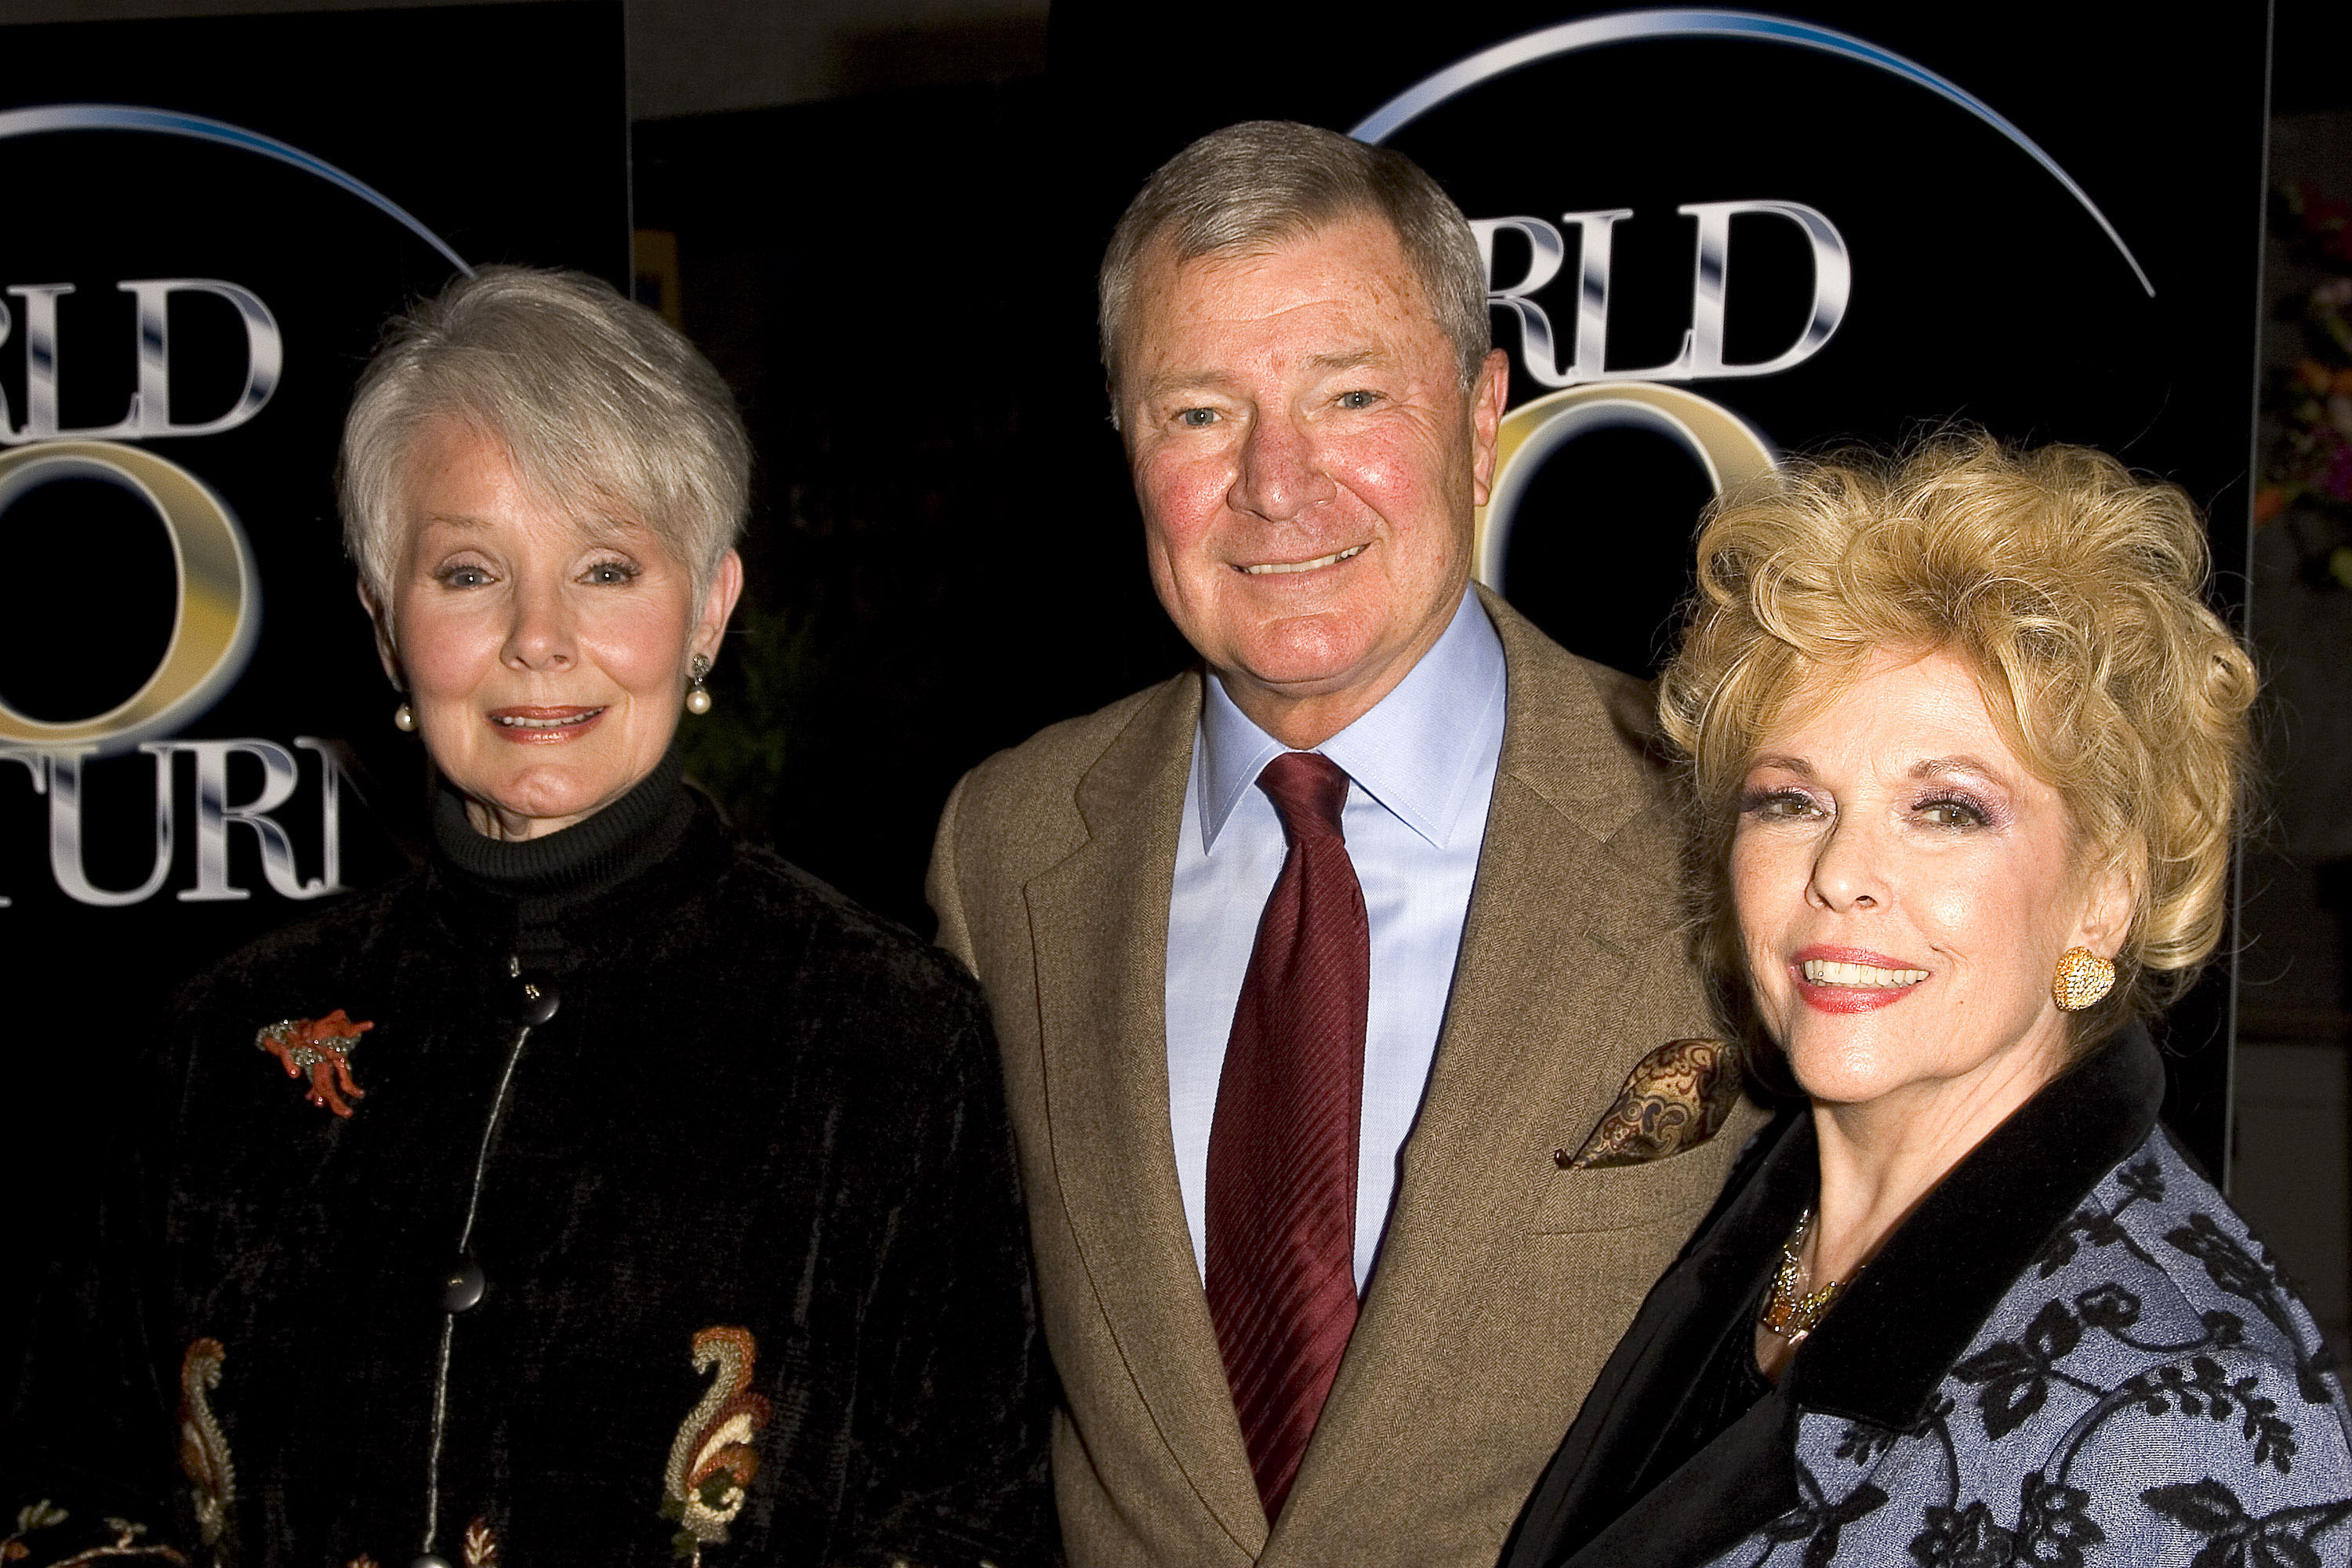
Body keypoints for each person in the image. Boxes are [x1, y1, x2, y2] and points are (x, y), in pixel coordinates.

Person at [4, 268, 1054, 1568]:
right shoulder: (219, 1047)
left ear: (709, 611)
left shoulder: (890, 1042)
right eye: (468, 571)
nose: (540, 639)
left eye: (606, 567)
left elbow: (965, 1529)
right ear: (386, 628)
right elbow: (65, 1494)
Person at [925, 121, 1763, 1567]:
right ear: (1125, 444)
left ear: (1483, 415)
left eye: (1353, 395)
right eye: (1198, 413)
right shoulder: (1005, 847)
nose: (1276, 481)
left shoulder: (1728, 820)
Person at [1500, 436, 2352, 1568]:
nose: (1841, 870)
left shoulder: (2188, 1418)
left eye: (1947, 809)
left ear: (2104, 892)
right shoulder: (1763, 1202)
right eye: (1791, 800)